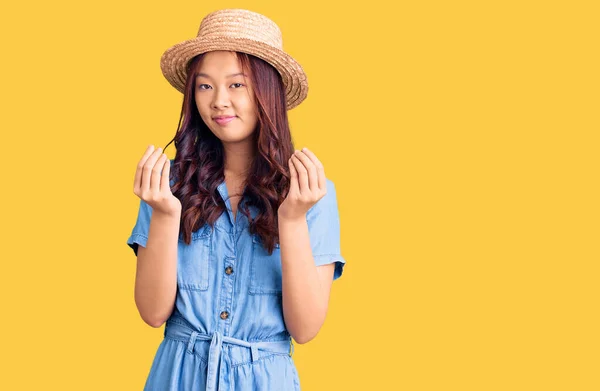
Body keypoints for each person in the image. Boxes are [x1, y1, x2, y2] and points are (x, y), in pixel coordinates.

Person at [126, 8, 346, 391]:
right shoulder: (169, 185)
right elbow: (152, 312)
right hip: (177, 377)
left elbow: (306, 327)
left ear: (267, 92)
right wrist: (164, 215)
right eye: (205, 86)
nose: (218, 102)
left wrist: (291, 220)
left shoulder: (311, 193)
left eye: (237, 85)